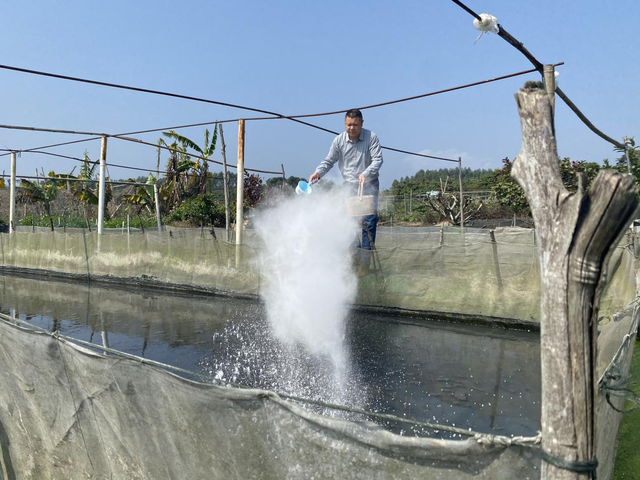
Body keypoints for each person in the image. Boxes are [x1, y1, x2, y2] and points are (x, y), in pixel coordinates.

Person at [308, 109, 383, 276]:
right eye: (349, 125)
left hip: (369, 184)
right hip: (349, 185)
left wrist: (366, 173)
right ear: (345, 124)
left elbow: (378, 159)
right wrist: (318, 172)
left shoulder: (371, 137)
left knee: (368, 223)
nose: (352, 128)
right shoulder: (339, 141)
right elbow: (329, 160)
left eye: (355, 125)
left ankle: (364, 264)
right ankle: (353, 259)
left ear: (362, 123)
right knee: (348, 223)